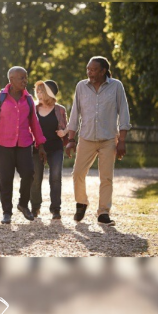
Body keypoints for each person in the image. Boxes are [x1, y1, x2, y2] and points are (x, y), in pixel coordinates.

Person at [66, 56, 131, 226]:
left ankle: (103, 212)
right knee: (78, 173)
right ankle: (81, 203)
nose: (89, 72)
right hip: (86, 138)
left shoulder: (116, 86)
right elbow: (75, 114)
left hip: (108, 138)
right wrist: (71, 139)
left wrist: (122, 140)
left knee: (106, 177)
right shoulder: (81, 86)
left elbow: (124, 112)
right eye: (88, 69)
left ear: (103, 71)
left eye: (93, 69)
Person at [0, 66, 47, 225]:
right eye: (21, 78)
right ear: (11, 80)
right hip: (3, 143)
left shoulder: (28, 99)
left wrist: (40, 145)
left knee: (28, 173)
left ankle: (23, 203)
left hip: (24, 143)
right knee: (5, 178)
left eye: (26, 77)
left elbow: (34, 123)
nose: (25, 81)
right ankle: (7, 212)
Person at [30, 80, 68, 220]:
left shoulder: (60, 109)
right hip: (36, 148)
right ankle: (35, 208)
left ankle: (55, 209)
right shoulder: (33, 108)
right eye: (37, 91)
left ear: (49, 93)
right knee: (35, 179)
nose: (38, 94)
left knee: (55, 177)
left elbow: (67, 126)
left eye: (42, 91)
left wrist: (64, 132)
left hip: (55, 148)